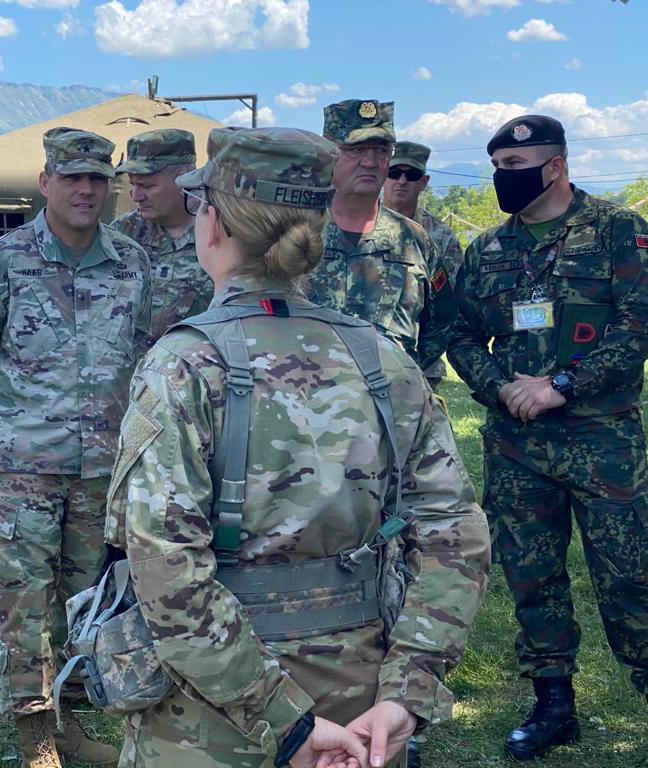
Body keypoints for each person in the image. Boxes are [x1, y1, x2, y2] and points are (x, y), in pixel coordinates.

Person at [104, 126, 490, 768]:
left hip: (212, 716)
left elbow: (163, 563)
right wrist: (407, 693)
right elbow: (455, 534)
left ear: (216, 222)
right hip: (362, 707)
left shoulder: (186, 364)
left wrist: (281, 720)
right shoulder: (383, 359)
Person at [0, 127, 153, 768]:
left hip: (101, 468)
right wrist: (7, 428)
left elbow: (142, 353)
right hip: (23, 467)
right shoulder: (3, 261)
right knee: (21, 597)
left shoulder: (130, 263)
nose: (86, 190)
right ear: (46, 184)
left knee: (81, 595)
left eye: (98, 179)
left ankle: (66, 718)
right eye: (72, 178)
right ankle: (33, 732)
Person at [447, 114, 648, 760]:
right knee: (532, 577)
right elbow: (454, 334)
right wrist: (501, 387)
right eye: (500, 168)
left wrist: (563, 383)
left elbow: (637, 324)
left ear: (555, 166)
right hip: (517, 448)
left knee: (631, 576)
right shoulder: (489, 251)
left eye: (515, 167)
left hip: (603, 441)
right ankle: (554, 704)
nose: (505, 179)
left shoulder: (618, 230)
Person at [307, 100, 455, 372]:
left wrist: (405, 369)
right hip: (307, 400)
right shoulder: (295, 230)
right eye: (356, 149)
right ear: (328, 152)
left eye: (381, 150)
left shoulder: (414, 240)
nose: (371, 161)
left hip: (392, 404)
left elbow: (443, 319)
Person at [112, 128, 213, 340]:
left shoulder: (222, 233)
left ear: (183, 179)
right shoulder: (123, 232)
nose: (136, 196)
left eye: (146, 186)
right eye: (132, 184)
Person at [382, 141, 464, 390]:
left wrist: (416, 362)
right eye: (394, 173)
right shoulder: (359, 225)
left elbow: (448, 310)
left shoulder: (441, 237)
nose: (402, 181)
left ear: (424, 182)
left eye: (412, 174)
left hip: (420, 368)